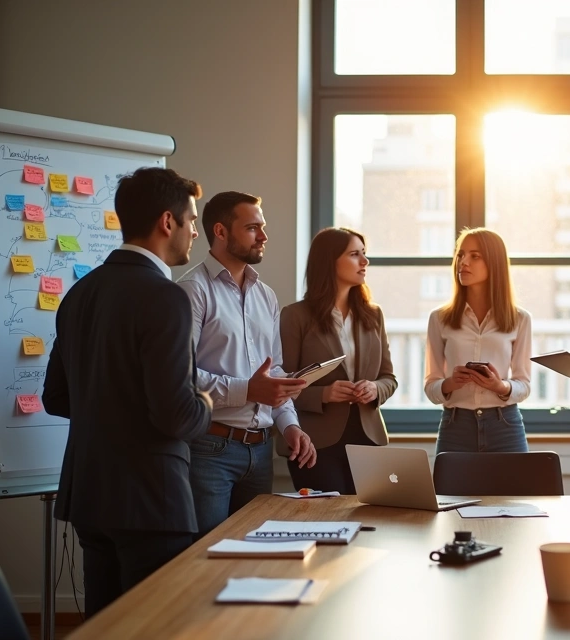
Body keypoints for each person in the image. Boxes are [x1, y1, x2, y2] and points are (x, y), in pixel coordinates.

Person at [43, 167, 213, 616]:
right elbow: (176, 415)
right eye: (191, 220)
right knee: (158, 625)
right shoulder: (166, 297)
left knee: (106, 624)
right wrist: (206, 405)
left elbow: (56, 398)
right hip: (151, 500)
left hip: (89, 494)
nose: (194, 231)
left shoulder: (79, 293)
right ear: (166, 222)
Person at [176, 191, 317, 538]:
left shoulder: (265, 295)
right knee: (205, 560)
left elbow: (275, 373)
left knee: (253, 553)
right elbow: (181, 376)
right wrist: (248, 389)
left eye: (262, 227)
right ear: (221, 231)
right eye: (253, 228)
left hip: (261, 449)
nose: (264, 237)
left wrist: (290, 426)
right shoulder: (191, 290)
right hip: (210, 450)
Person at [280, 227, 397, 493]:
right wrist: (324, 394)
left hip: (368, 441)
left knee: (368, 523)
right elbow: (280, 385)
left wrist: (375, 389)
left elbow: (389, 378)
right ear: (329, 261)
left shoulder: (373, 315)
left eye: (364, 254)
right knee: (325, 523)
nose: (365, 262)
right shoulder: (295, 316)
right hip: (313, 443)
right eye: (355, 254)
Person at [424, 228, 532, 453]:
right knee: (448, 489)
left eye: (475, 256)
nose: (463, 262)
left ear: (494, 264)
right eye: (460, 255)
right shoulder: (439, 318)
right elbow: (430, 387)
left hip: (505, 426)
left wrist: (500, 386)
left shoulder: (520, 319)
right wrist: (450, 383)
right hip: (455, 427)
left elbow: (524, 384)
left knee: (517, 489)